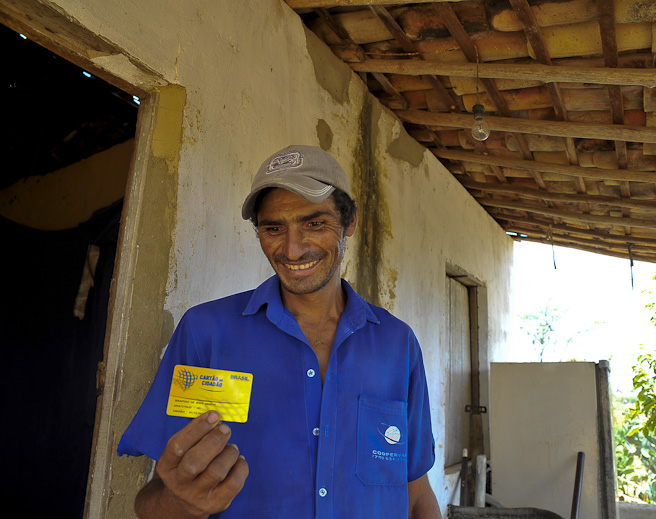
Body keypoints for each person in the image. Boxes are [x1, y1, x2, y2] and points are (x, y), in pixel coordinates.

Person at [118, 145, 441, 519]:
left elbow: (415, 493)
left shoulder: (397, 344)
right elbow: (153, 501)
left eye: (315, 223)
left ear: (349, 223)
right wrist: (181, 504)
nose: (292, 248)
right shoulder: (206, 332)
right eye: (273, 228)